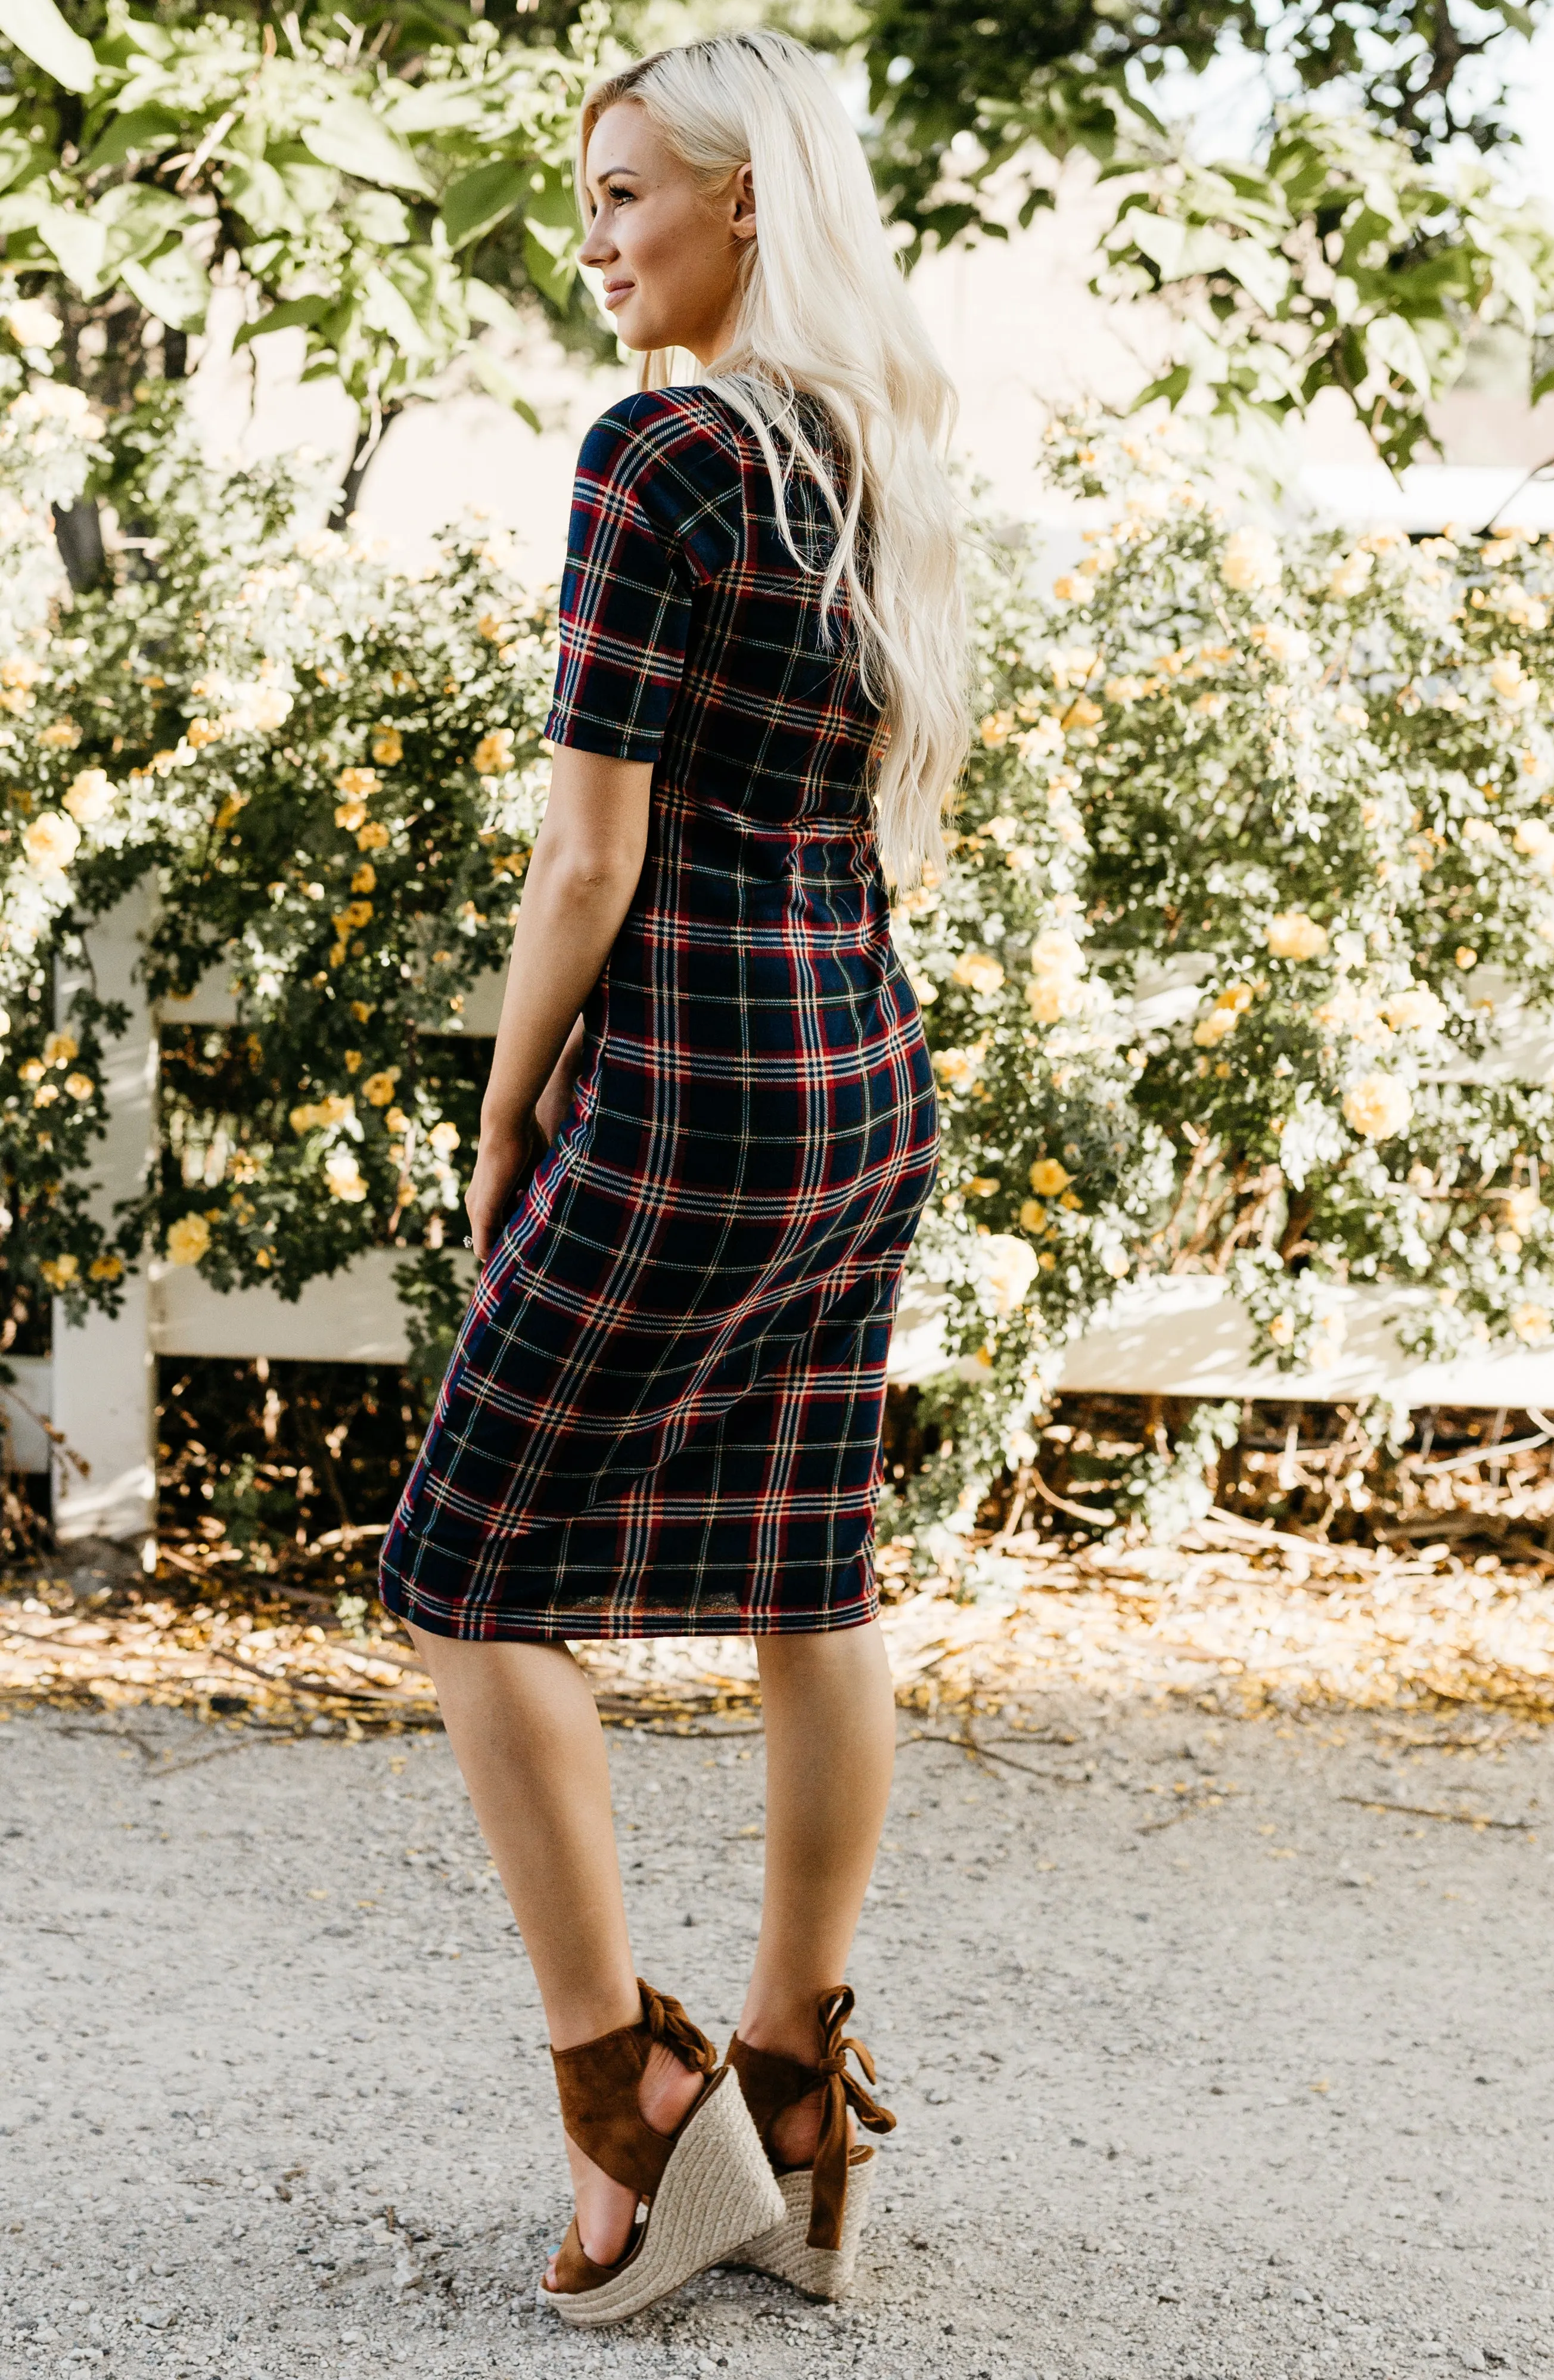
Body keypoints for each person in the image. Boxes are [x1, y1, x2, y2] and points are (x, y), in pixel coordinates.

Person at [378, 26, 968, 2328]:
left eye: (630, 193)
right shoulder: (873, 460)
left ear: (745, 201)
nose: (596, 237)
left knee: (461, 1561)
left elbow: (587, 849)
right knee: (810, 1574)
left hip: (689, 1095)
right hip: (861, 1079)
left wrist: (512, 1099)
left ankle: (628, 2105)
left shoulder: (661, 453)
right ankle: (802, 2091)